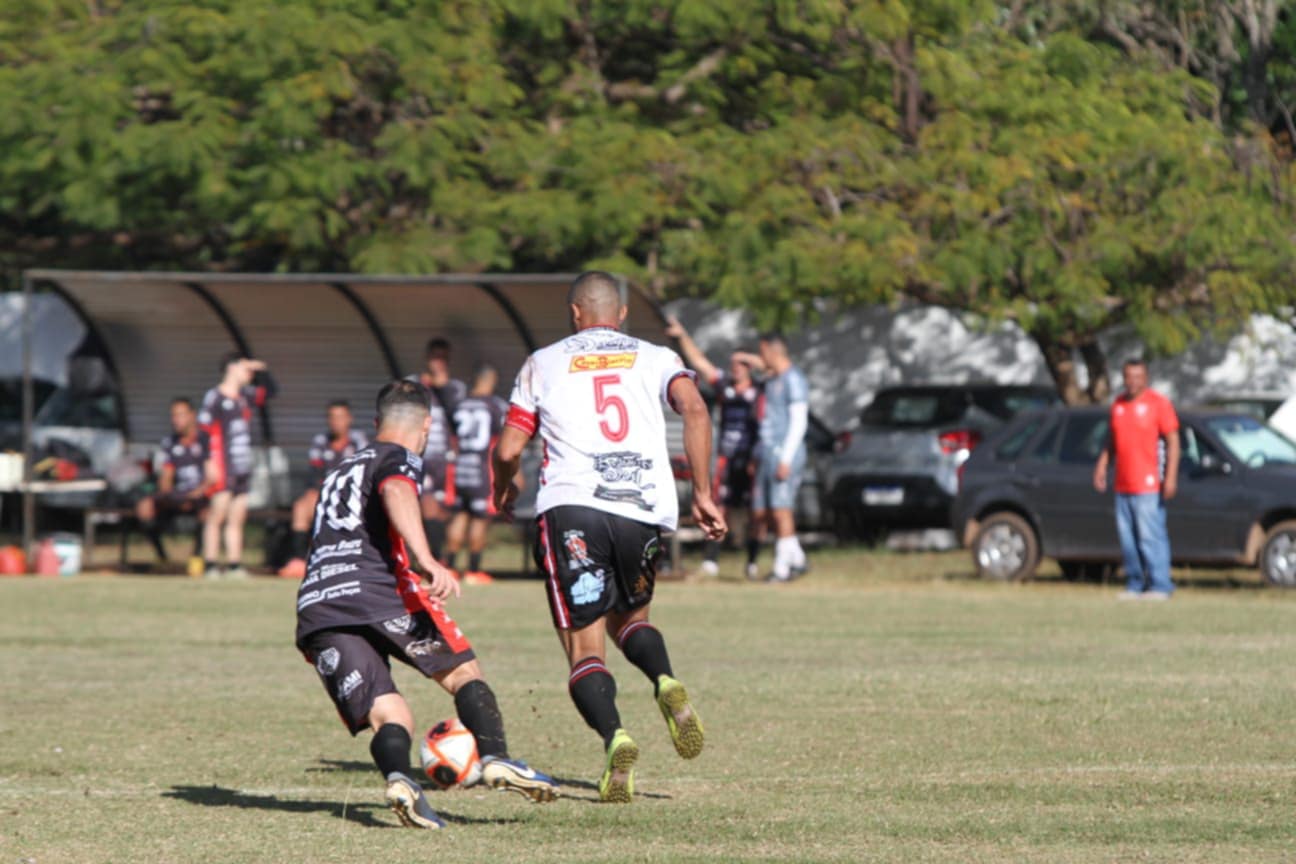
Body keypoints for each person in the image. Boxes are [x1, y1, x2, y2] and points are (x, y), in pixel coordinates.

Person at [491, 271, 727, 804]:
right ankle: (665, 681)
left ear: (575, 313)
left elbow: (508, 449)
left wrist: (504, 486)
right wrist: (703, 493)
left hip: (573, 507)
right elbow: (695, 409)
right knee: (631, 620)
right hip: (640, 510)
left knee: (584, 647)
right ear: (621, 314)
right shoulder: (656, 356)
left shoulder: (543, 362)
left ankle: (615, 737)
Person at [295, 379, 559, 830]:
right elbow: (397, 491)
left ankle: (400, 781)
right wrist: (426, 559)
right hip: (378, 591)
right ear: (427, 427)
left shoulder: (340, 468)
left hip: (318, 606)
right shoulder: (397, 457)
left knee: (390, 713)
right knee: (464, 674)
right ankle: (496, 758)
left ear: (376, 422)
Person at [663, 316, 763, 578]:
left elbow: (775, 367)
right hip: (726, 459)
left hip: (751, 460)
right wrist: (682, 335)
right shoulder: (725, 386)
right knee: (719, 506)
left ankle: (752, 563)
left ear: (750, 366)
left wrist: (748, 358)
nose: (736, 368)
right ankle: (711, 560)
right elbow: (699, 363)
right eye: (733, 363)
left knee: (756, 511)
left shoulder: (761, 388)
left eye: (741, 364)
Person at [1093, 358, 1180, 600]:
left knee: (1150, 536)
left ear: (1146, 378)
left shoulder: (1158, 404)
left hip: (1149, 484)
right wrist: (1102, 465)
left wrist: (1170, 477)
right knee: (1128, 539)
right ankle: (1135, 583)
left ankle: (1160, 585)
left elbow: (1173, 442)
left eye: (1138, 377)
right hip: (1123, 483)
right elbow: (1112, 441)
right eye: (1128, 377)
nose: (1133, 381)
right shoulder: (1118, 404)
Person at [198, 352, 276, 579]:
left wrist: (262, 369)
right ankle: (211, 564)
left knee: (237, 517)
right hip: (223, 465)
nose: (249, 373)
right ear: (231, 367)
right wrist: (208, 462)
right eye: (245, 368)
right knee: (217, 514)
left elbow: (271, 391)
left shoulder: (245, 396)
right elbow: (203, 433)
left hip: (242, 465)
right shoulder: (214, 397)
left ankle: (234, 564)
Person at [277, 400, 368, 579]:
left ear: (349, 419)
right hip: (326, 495)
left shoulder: (358, 442)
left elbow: (365, 473)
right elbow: (314, 475)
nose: (336, 422)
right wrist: (314, 492)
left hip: (351, 496)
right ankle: (299, 561)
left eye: (340, 417)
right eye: (332, 417)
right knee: (302, 507)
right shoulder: (321, 441)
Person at [749, 332, 810, 583]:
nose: (760, 357)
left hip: (785, 453)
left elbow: (799, 421)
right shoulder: (772, 379)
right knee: (769, 512)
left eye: (762, 351)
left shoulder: (793, 379)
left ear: (771, 350)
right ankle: (798, 559)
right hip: (767, 452)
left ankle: (782, 568)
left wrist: (786, 458)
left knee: (782, 511)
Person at [444, 365, 509, 584]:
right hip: (482, 470)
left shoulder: (459, 404)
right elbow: (504, 439)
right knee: (480, 519)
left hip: (461, 468)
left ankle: (450, 567)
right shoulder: (495, 406)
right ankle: (473, 570)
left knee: (460, 515)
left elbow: (452, 438)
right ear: (491, 381)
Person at [406, 338, 467, 561]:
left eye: (443, 358)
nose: (438, 362)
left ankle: (442, 560)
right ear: (427, 358)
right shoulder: (412, 384)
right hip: (421, 456)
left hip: (447, 460)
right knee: (427, 506)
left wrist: (442, 388)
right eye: (435, 357)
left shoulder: (456, 388)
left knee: (444, 512)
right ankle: (432, 560)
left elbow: (460, 420)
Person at [136, 397, 211, 567]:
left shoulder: (205, 440)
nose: (176, 420)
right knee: (145, 507)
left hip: (202, 494)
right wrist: (168, 496)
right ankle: (163, 558)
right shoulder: (170, 443)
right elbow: (166, 476)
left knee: (208, 512)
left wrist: (197, 493)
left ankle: (196, 557)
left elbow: (213, 475)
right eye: (173, 416)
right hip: (179, 494)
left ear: (192, 415)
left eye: (181, 415)